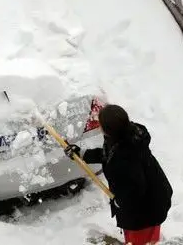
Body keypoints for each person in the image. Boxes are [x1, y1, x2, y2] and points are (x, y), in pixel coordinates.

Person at [64, 104, 172, 245]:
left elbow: (136, 188)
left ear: (107, 129)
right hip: (152, 197)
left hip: (145, 211)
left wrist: (121, 201)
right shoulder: (126, 134)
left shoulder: (125, 157)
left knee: (141, 241)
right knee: (148, 239)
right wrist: (81, 154)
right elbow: (108, 155)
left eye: (100, 123)